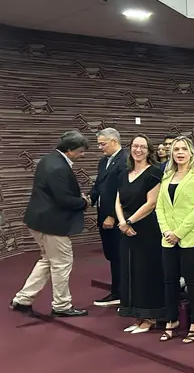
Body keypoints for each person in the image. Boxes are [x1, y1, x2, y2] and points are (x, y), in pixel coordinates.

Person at [10, 131, 91, 317]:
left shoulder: (48, 159)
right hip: (52, 224)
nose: (83, 155)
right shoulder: (59, 168)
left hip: (38, 221)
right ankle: (62, 305)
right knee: (62, 263)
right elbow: (63, 200)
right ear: (69, 150)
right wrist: (84, 202)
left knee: (47, 260)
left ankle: (22, 299)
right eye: (80, 151)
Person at [156, 136, 194, 344]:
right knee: (169, 280)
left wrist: (179, 232)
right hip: (168, 237)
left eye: (183, 149)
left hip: (192, 236)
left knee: (191, 279)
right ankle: (172, 320)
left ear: (191, 153)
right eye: (176, 149)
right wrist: (166, 231)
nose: (179, 153)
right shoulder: (166, 176)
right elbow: (160, 206)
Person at [115, 134, 164, 333]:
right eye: (135, 146)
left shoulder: (153, 173)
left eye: (143, 147)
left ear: (149, 151)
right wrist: (121, 223)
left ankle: (149, 317)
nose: (138, 150)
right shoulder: (124, 173)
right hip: (126, 230)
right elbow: (117, 200)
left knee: (146, 273)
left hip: (146, 229)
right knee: (130, 272)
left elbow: (151, 203)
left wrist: (129, 221)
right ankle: (137, 316)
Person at [90, 128, 128, 308]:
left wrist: (113, 215)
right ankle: (117, 290)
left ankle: (121, 292)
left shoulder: (124, 161)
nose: (100, 147)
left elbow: (123, 191)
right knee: (111, 254)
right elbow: (99, 185)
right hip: (102, 215)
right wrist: (87, 199)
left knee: (119, 256)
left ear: (114, 141)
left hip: (115, 217)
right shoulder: (104, 161)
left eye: (102, 144)